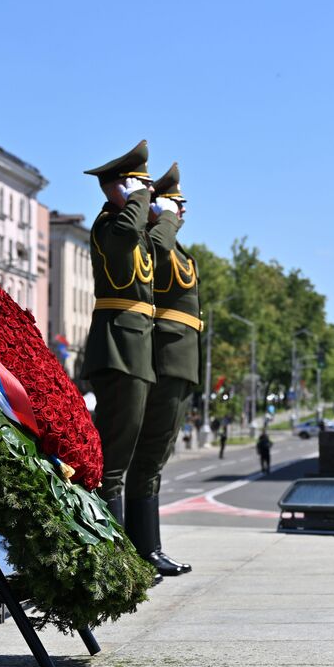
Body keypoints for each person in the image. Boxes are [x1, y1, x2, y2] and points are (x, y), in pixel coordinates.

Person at [79, 139, 182, 584]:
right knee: (115, 461)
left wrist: (151, 206)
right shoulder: (109, 228)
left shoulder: (134, 232)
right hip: (118, 346)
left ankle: (132, 554)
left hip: (137, 349)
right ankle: (116, 558)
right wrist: (141, 196)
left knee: (125, 457)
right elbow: (130, 235)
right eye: (139, 185)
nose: (148, 196)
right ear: (115, 187)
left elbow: (154, 247)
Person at [132, 162, 198, 577]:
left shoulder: (175, 248)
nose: (182, 212)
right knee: (149, 458)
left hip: (179, 359)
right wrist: (162, 216)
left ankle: (149, 547)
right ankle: (146, 549)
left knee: (156, 457)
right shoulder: (157, 243)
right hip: (166, 357)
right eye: (177, 205)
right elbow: (155, 244)